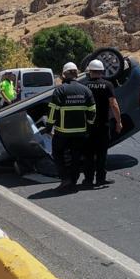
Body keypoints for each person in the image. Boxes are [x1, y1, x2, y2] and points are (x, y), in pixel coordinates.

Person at [44, 62, 95, 192]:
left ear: (64, 75)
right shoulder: (85, 90)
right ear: (77, 74)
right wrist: (88, 127)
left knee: (57, 154)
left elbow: (52, 112)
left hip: (62, 132)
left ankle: (65, 179)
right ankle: (73, 179)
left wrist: (49, 128)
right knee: (76, 156)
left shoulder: (60, 90)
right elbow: (92, 111)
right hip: (80, 132)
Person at [81, 59, 123, 187]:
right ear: (102, 71)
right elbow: (114, 104)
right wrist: (118, 122)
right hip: (103, 126)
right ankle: (100, 179)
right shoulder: (107, 85)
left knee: (88, 154)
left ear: (90, 72)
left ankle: (88, 180)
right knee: (101, 154)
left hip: (88, 126)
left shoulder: (85, 86)